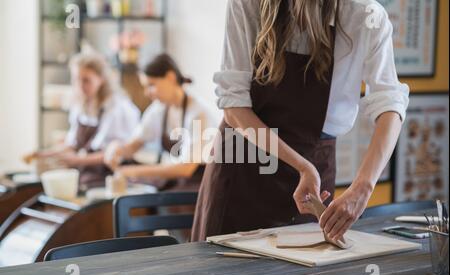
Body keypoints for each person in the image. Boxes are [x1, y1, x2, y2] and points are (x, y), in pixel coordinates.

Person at [191, 0, 410, 241]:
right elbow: (234, 109)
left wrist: (363, 187)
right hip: (243, 166)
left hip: (316, 166)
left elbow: (390, 104)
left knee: (303, 274)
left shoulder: (365, 15)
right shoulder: (247, 3)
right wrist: (302, 166)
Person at [105, 54, 219, 192]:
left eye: (151, 85)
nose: (147, 93)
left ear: (170, 77)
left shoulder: (198, 113)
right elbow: (135, 144)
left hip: (199, 187)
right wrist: (117, 148)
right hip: (177, 184)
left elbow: (186, 169)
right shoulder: (159, 109)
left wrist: (134, 171)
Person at [27, 53, 141, 188]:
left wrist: (76, 160)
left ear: (101, 79)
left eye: (86, 80)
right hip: (88, 170)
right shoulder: (80, 104)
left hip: (112, 173)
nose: (80, 85)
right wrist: (46, 154)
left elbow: (113, 153)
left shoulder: (116, 107)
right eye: (76, 79)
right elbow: (72, 144)